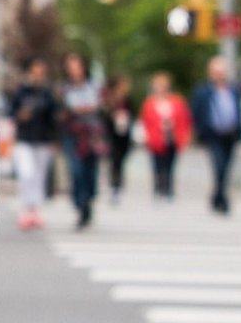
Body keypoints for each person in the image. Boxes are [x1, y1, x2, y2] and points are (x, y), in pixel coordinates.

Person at [8, 57, 58, 229]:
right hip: (25, 139)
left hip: (43, 140)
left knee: (39, 177)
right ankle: (25, 208)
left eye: (41, 73)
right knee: (26, 173)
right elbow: (11, 112)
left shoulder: (48, 94)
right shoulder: (21, 92)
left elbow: (54, 117)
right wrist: (20, 116)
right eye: (35, 72)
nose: (38, 76)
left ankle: (35, 210)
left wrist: (54, 139)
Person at [58, 52, 106, 229]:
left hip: (92, 134)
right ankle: (80, 203)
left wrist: (82, 109)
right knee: (76, 170)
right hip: (72, 134)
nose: (74, 71)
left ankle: (89, 200)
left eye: (77, 66)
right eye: (70, 67)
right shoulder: (64, 88)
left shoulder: (94, 86)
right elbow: (64, 110)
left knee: (91, 170)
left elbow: (99, 106)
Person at [191, 55, 241, 214]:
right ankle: (222, 200)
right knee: (218, 166)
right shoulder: (203, 91)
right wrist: (199, 132)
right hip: (213, 134)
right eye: (217, 71)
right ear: (211, 73)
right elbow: (196, 113)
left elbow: (238, 111)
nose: (220, 74)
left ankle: (217, 196)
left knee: (226, 168)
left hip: (230, 134)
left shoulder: (233, 90)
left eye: (222, 71)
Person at [139, 72, 193, 199]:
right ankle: (158, 187)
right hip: (155, 139)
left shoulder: (176, 101)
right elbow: (145, 121)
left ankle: (168, 187)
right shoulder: (149, 103)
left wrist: (185, 135)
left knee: (170, 164)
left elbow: (185, 119)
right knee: (157, 164)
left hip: (172, 137)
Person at [100, 74, 135, 204]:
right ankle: (114, 186)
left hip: (123, 134)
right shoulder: (108, 99)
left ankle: (118, 185)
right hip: (111, 134)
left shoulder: (127, 99)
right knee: (114, 161)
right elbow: (102, 115)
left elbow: (132, 114)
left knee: (120, 161)